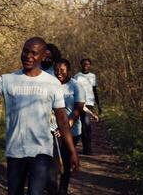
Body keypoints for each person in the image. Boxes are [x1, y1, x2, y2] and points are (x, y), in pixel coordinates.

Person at [0, 36, 79, 195]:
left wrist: (72, 151)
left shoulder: (52, 83)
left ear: (43, 56)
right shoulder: (8, 80)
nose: (28, 56)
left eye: (34, 53)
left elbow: (62, 120)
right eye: (25, 51)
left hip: (41, 152)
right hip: (15, 152)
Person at [47, 59, 85, 195]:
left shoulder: (76, 86)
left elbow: (78, 109)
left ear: (68, 71)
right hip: (53, 131)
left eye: (62, 70)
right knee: (54, 164)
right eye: (56, 70)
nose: (58, 73)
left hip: (72, 131)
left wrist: (67, 126)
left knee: (66, 163)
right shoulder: (50, 85)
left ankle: (63, 190)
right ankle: (52, 190)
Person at [74, 58, 101, 155]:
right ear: (81, 65)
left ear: (90, 65)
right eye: (84, 64)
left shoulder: (93, 76)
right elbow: (74, 90)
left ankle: (87, 149)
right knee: (80, 125)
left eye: (88, 64)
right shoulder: (77, 76)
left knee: (86, 125)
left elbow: (94, 90)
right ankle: (75, 148)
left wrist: (98, 104)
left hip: (89, 103)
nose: (86, 65)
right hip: (79, 102)